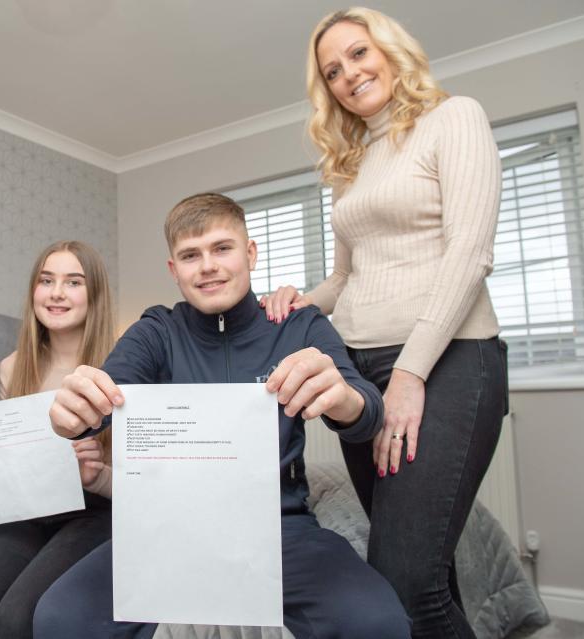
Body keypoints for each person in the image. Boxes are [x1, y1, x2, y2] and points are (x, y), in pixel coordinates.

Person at [34, 193, 410, 639]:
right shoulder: (156, 332)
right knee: (59, 618)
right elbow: (99, 400)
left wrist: (344, 398)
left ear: (250, 253)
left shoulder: (298, 326)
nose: (207, 266)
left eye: (222, 248)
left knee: (377, 623)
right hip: (167, 532)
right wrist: (71, 413)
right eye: (191, 255)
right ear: (174, 270)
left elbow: (366, 412)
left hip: (280, 530)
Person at [259, 8, 508, 638]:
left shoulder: (455, 118)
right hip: (360, 370)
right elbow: (348, 277)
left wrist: (410, 372)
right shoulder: (351, 163)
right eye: (333, 70)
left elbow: (469, 253)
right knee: (429, 576)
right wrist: (298, 300)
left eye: (359, 54)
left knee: (401, 581)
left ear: (392, 50)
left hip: (446, 360)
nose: (349, 75)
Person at [0, 240, 114, 639]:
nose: (57, 293)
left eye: (73, 282)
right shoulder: (11, 368)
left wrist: (98, 473)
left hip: (96, 512)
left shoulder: (121, 363)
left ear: (94, 294)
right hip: (26, 512)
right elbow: (3, 463)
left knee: (18, 617)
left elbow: (149, 481)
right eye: (46, 280)